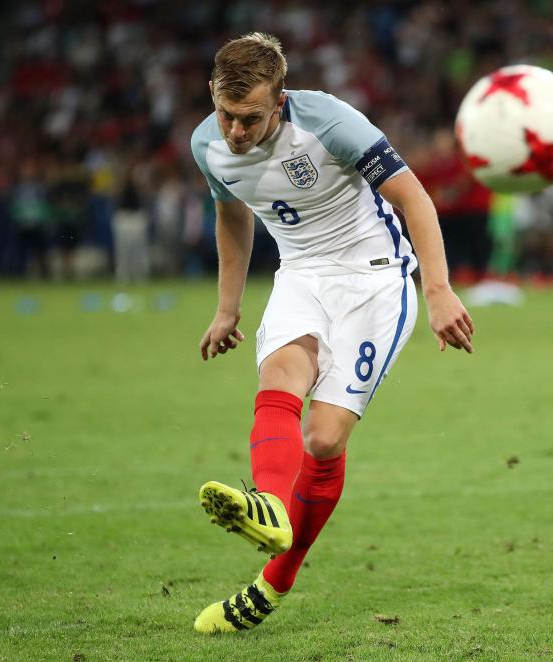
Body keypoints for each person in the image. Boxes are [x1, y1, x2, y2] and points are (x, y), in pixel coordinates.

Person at [189, 33, 475, 634]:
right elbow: (232, 216)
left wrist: (439, 288)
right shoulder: (207, 146)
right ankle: (267, 503)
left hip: (376, 281)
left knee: (321, 440)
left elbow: (414, 197)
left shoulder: (329, 122)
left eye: (249, 119)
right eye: (225, 115)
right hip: (301, 275)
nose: (235, 132)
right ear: (212, 96)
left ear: (281, 102)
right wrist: (226, 308)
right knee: (280, 377)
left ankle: (277, 579)